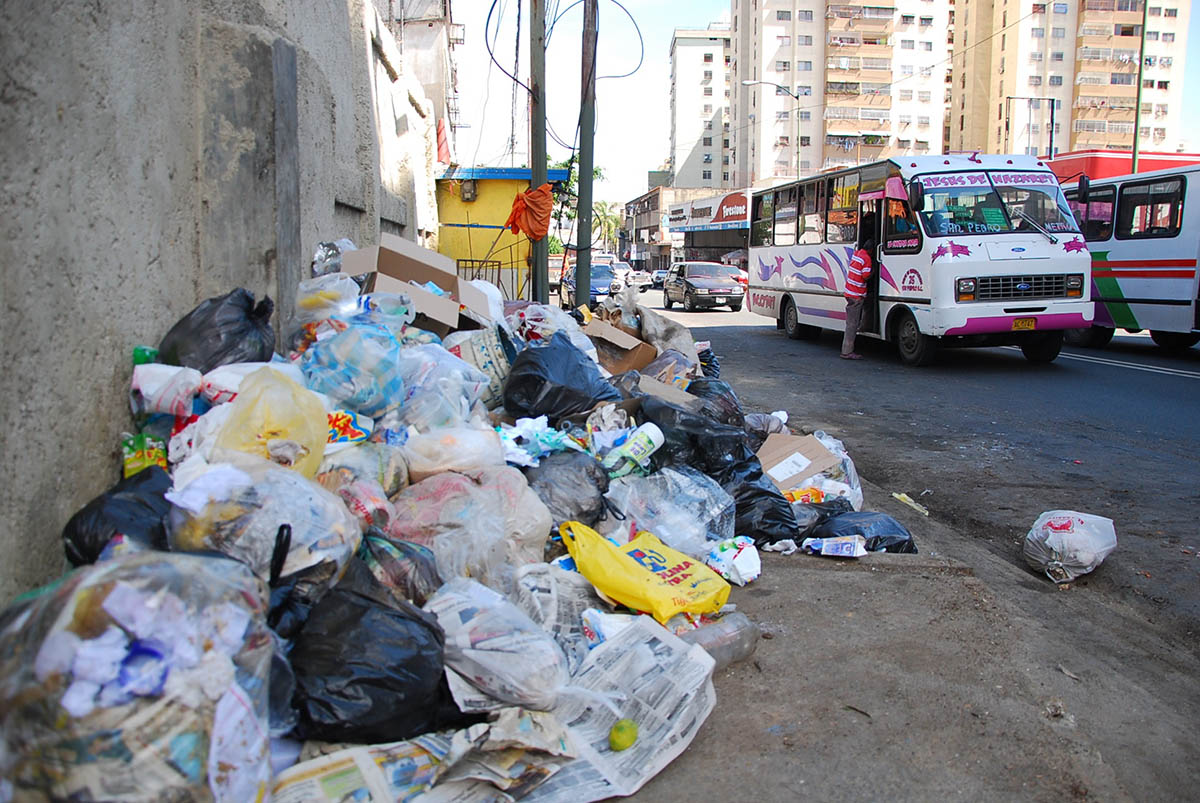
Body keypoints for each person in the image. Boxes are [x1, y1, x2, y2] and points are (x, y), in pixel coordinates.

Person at [841, 228, 875, 360]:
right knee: (851, 324)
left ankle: (863, 327)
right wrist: (874, 272)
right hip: (856, 294)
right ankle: (847, 351)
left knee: (867, 307)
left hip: (850, 292)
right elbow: (865, 276)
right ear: (871, 250)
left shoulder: (857, 254)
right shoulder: (867, 259)